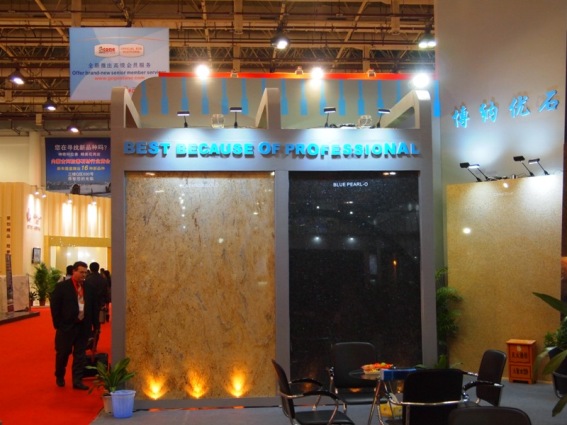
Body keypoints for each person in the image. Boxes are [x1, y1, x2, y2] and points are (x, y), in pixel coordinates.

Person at [50, 261, 100, 390]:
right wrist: (58, 324)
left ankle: (77, 380)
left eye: (85, 272)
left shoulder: (89, 288)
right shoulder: (62, 287)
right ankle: (59, 375)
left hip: (83, 326)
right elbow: (55, 306)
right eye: (81, 272)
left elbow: (94, 307)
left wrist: (96, 325)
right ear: (74, 271)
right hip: (66, 327)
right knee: (63, 353)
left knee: (80, 354)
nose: (84, 275)